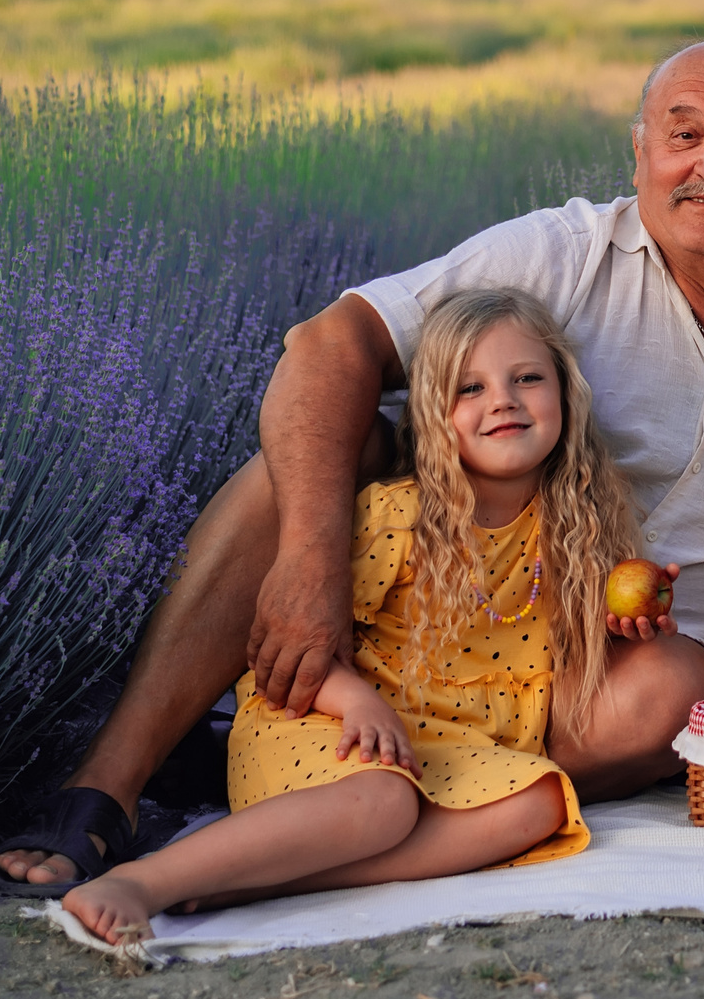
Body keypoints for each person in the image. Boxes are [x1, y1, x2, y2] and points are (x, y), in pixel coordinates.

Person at [0, 39, 704, 891]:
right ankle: (108, 786)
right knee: (303, 463)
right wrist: (308, 561)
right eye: (684, 133)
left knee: (671, 686)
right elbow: (328, 346)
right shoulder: (564, 253)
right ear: (641, 152)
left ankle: (320, 802)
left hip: (623, 687)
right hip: (448, 632)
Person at [63, 287, 631, 947]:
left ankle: (256, 879)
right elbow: (294, 647)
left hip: (448, 744)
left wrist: (627, 623)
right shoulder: (401, 516)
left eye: (527, 378)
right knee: (384, 801)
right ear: (433, 415)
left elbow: (570, 642)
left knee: (541, 800)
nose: (503, 399)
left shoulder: (579, 529)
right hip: (327, 722)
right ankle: (146, 881)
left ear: (566, 392)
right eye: (469, 388)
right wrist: (358, 703)